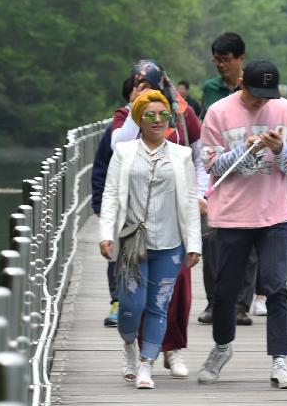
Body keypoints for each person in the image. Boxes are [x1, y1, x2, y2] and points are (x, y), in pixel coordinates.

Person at [197, 60, 287, 389]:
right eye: (256, 94)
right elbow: (212, 164)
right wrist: (244, 150)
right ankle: (221, 347)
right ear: (241, 83)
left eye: (267, 96)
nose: (262, 102)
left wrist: (278, 147)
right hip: (231, 216)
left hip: (273, 214)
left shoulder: (285, 110)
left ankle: (280, 360)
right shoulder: (218, 112)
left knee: (276, 286)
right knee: (225, 290)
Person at [110, 60, 209, 379]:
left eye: (150, 83)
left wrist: (200, 194)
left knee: (176, 289)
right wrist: (134, 104)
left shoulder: (181, 114)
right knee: (135, 297)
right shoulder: (127, 117)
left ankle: (171, 349)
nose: (146, 88)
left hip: (174, 217)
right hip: (135, 225)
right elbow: (117, 147)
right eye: (139, 83)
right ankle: (137, 350)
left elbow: (200, 157)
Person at [198, 32, 260, 326]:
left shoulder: (255, 85)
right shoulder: (210, 89)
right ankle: (214, 302)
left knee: (248, 242)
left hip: (250, 173)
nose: (220, 65)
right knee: (212, 241)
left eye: (225, 60)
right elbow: (203, 129)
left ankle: (240, 305)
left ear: (240, 59)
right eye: (217, 60)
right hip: (217, 170)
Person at [92, 77, 140, 327]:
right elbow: (101, 165)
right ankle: (117, 301)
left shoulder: (164, 120)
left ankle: (141, 303)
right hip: (120, 202)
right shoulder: (119, 123)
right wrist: (99, 204)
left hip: (153, 205)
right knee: (117, 256)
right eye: (138, 88)